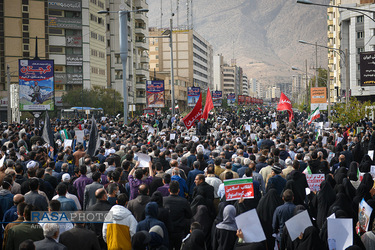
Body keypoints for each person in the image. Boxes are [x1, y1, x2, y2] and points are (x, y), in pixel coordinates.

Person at [163, 181, 192, 250]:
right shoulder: (184, 201)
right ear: (179, 190)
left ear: (169, 190)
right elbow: (189, 215)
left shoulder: (163, 200)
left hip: (167, 230)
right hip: (180, 230)